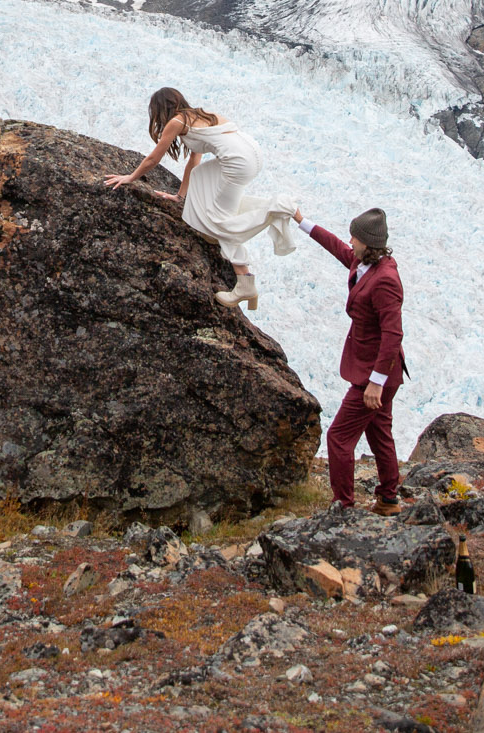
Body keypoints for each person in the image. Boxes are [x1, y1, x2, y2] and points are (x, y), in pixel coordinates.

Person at [103, 87, 298, 309]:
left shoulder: (177, 122)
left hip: (238, 162)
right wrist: (180, 196)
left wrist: (131, 177)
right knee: (201, 176)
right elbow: (194, 164)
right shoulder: (200, 116)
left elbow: (153, 158)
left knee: (220, 221)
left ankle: (245, 282)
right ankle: (215, 233)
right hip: (252, 153)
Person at [295, 205, 406, 514]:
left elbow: (393, 334)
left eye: (355, 237)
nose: (351, 241)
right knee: (379, 430)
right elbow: (339, 249)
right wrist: (304, 223)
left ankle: (342, 504)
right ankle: (388, 497)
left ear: (368, 242)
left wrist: (376, 383)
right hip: (378, 372)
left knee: (339, 437)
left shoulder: (385, 280)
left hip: (374, 374)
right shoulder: (366, 263)